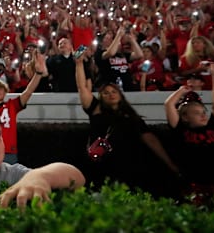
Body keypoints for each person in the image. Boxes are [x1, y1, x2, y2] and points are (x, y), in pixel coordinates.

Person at [75, 53, 181, 197]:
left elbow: (150, 139)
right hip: (101, 164)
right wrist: (79, 64)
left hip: (129, 165)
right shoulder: (96, 109)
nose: (110, 94)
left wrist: (170, 163)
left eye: (114, 91)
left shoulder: (131, 116)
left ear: (120, 95)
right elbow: (82, 87)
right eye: (105, 93)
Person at [164, 63, 214, 187]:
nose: (203, 116)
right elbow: (168, 105)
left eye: (203, 112)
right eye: (196, 113)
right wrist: (181, 91)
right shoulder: (181, 130)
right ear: (185, 117)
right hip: (194, 181)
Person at [0, 50, 47, 164]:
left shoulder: (12, 105)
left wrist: (38, 74)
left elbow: (28, 91)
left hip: (9, 152)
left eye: (0, 88)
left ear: (6, 91)